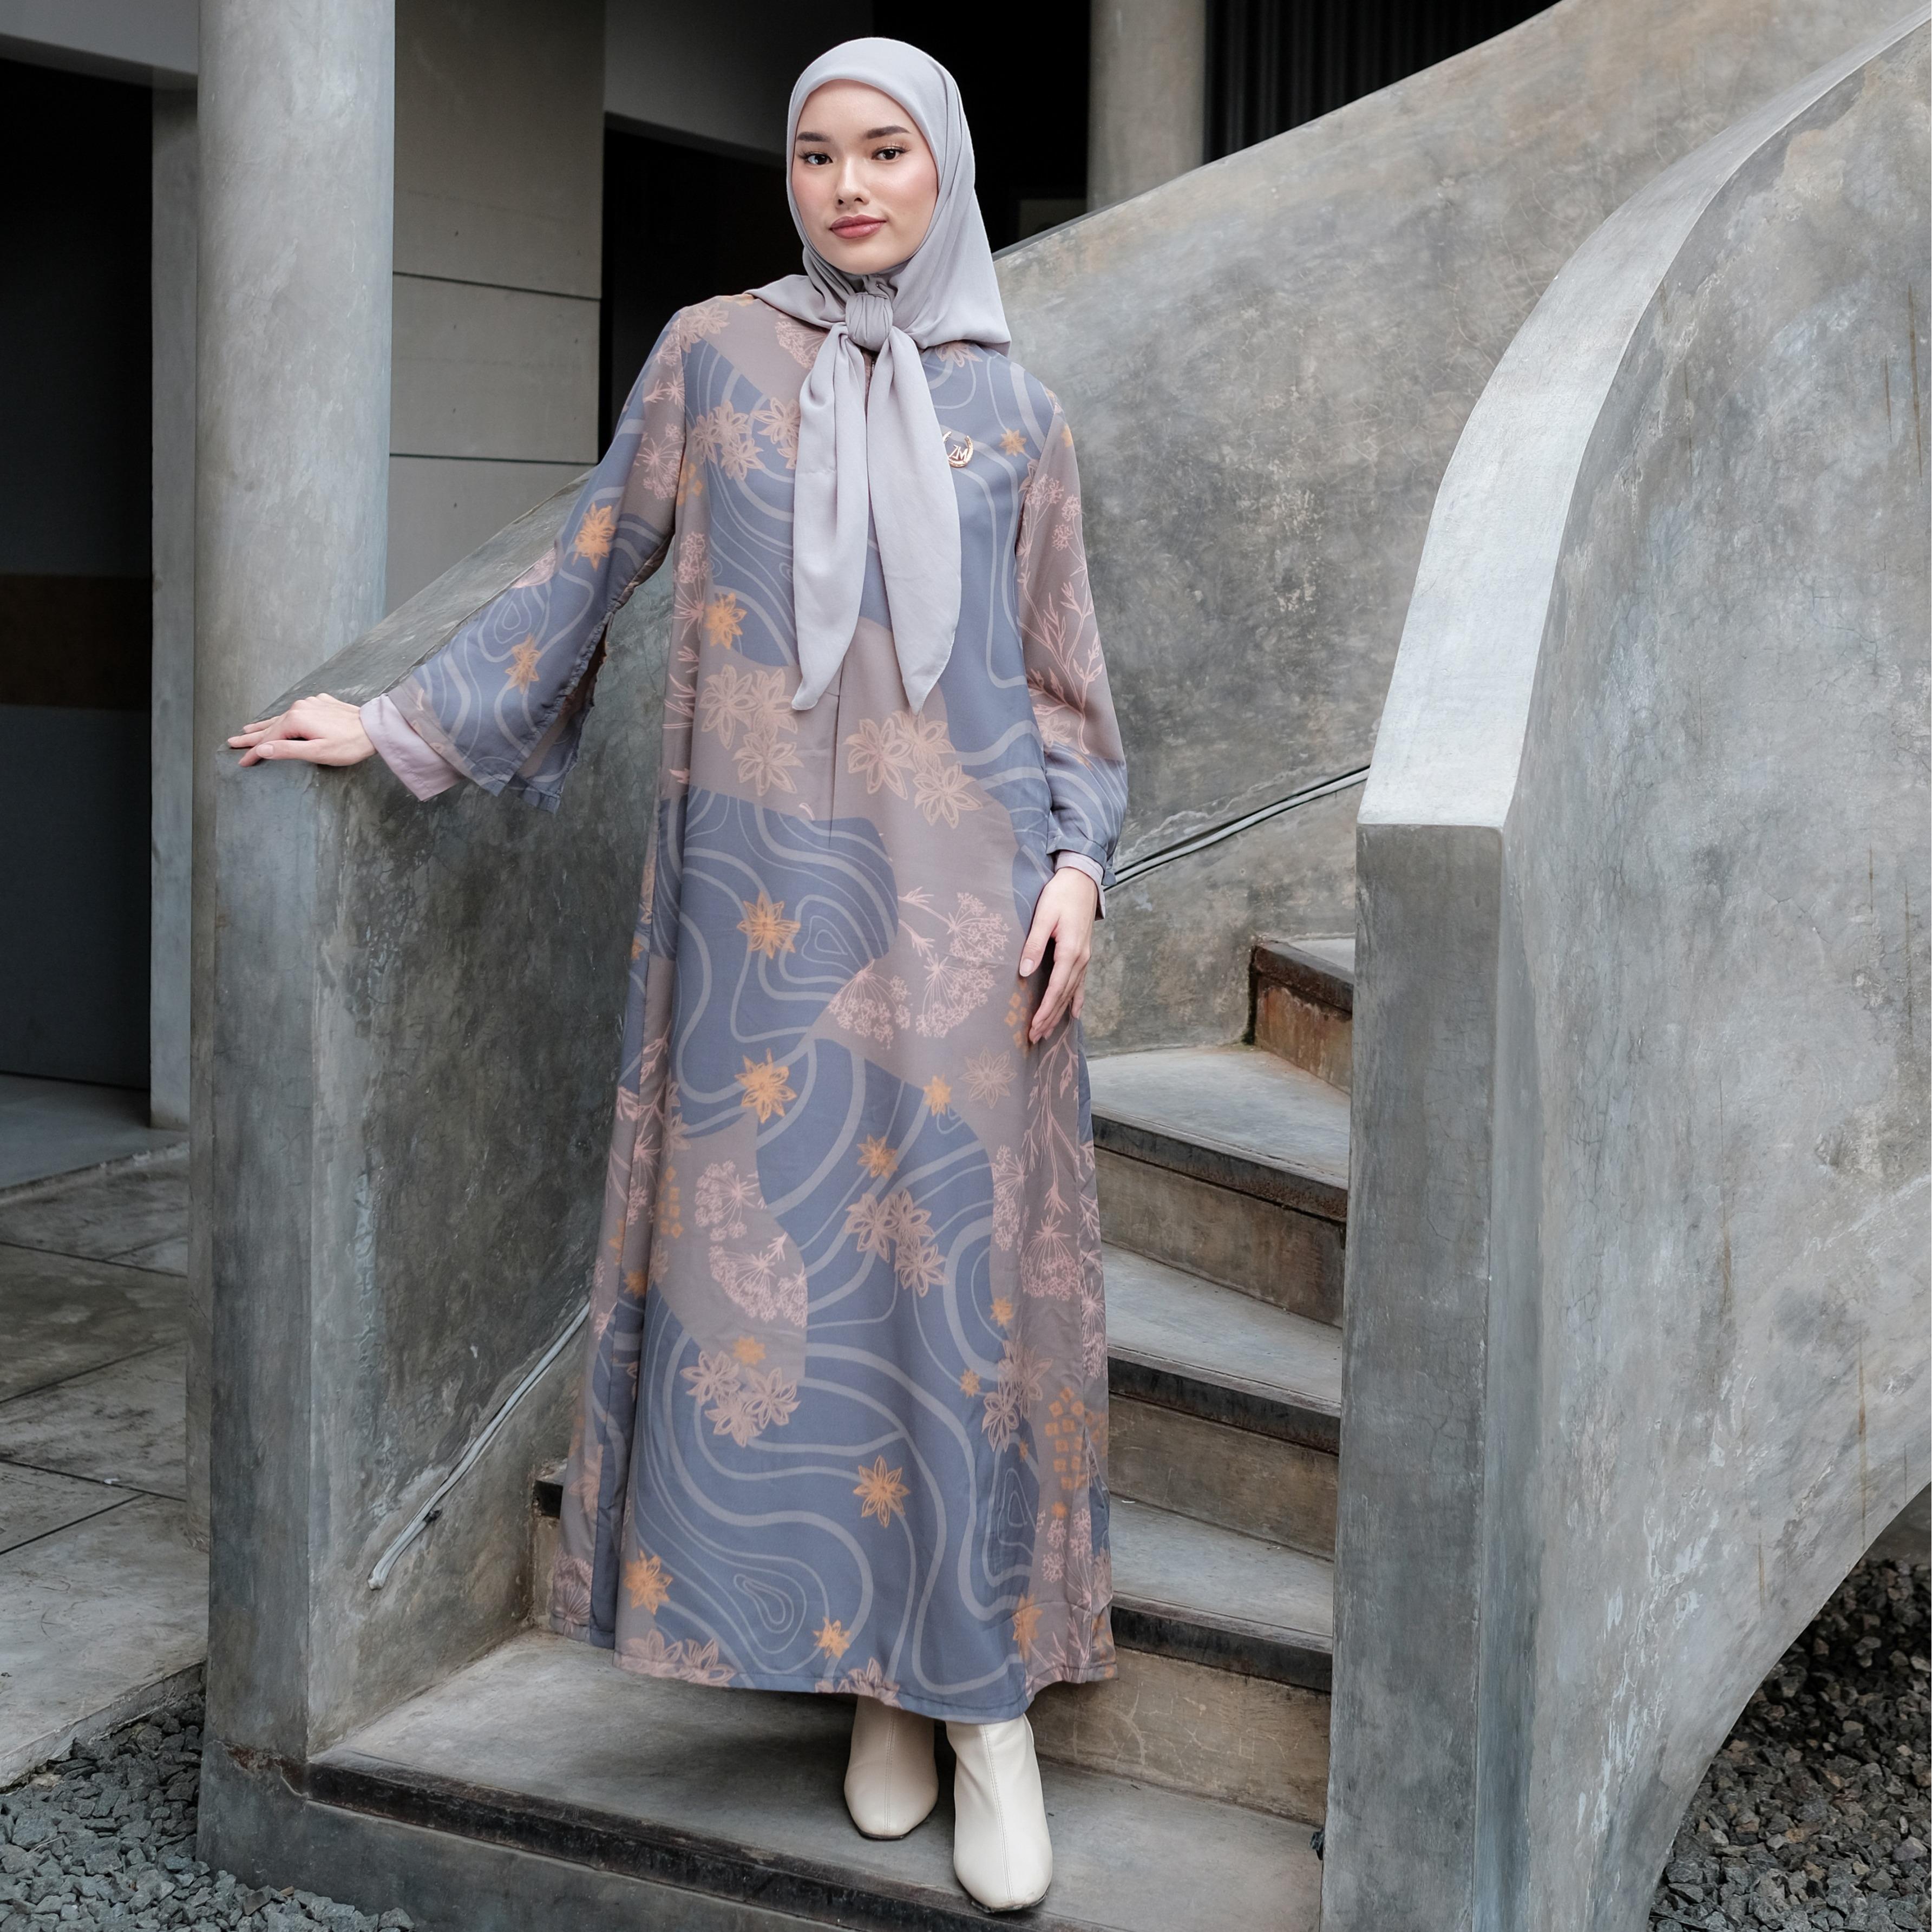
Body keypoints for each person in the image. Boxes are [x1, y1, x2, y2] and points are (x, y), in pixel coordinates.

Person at [230, 37, 1126, 1915]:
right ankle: (867, 1680)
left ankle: (977, 1709)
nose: (849, 185)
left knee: (956, 1314)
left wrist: (1076, 868)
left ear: (946, 172)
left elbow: (1060, 686)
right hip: (760, 929)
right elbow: (586, 568)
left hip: (969, 931)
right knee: (796, 1310)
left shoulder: (1017, 412)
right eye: (817, 153)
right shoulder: (714, 357)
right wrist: (396, 721)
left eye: (885, 151)